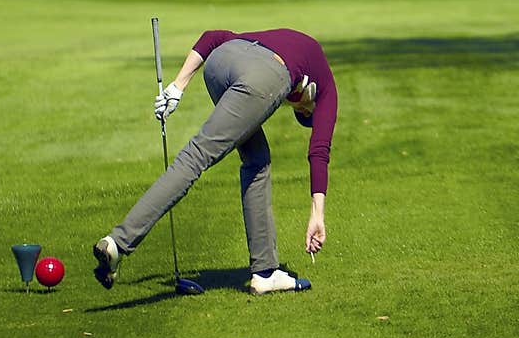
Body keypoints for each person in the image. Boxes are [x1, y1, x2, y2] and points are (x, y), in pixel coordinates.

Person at [93, 27, 338, 295]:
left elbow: (212, 37)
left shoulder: (294, 44)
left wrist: (177, 87)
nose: (300, 107)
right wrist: (317, 214)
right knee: (196, 157)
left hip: (220, 64)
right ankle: (118, 242)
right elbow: (319, 151)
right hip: (262, 75)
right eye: (302, 109)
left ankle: (265, 271)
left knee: (257, 160)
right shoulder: (325, 87)